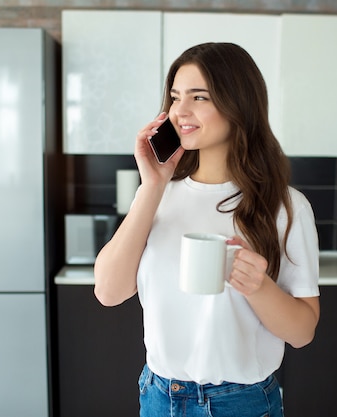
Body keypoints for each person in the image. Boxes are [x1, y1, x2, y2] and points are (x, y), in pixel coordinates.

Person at [94, 42, 320, 417]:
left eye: (199, 97)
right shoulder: (157, 195)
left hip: (242, 402)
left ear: (238, 105)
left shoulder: (285, 206)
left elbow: (302, 332)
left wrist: (258, 286)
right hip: (158, 397)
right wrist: (152, 185)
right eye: (175, 96)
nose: (180, 111)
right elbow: (108, 291)